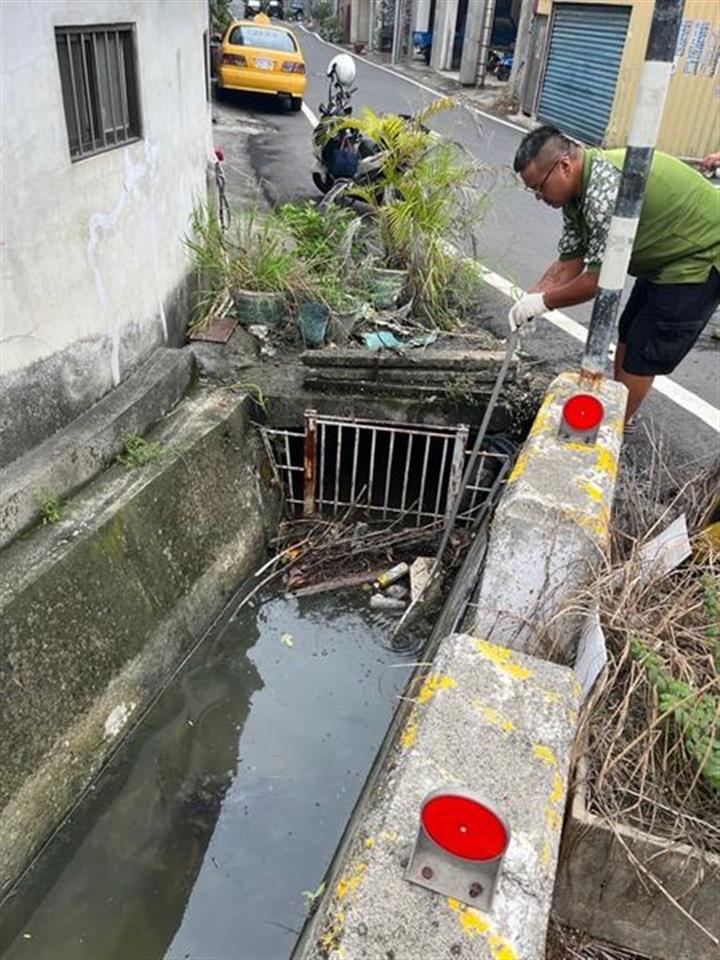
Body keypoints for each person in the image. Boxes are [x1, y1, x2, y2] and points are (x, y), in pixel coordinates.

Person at [508, 126, 720, 421]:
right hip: (663, 254)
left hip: (701, 254)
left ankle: (615, 427)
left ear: (565, 166)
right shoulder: (575, 196)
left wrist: (545, 302)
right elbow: (570, 261)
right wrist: (530, 299)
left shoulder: (604, 191)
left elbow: (598, 281)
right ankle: (616, 410)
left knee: (646, 348)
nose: (539, 197)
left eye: (539, 187)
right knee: (629, 330)